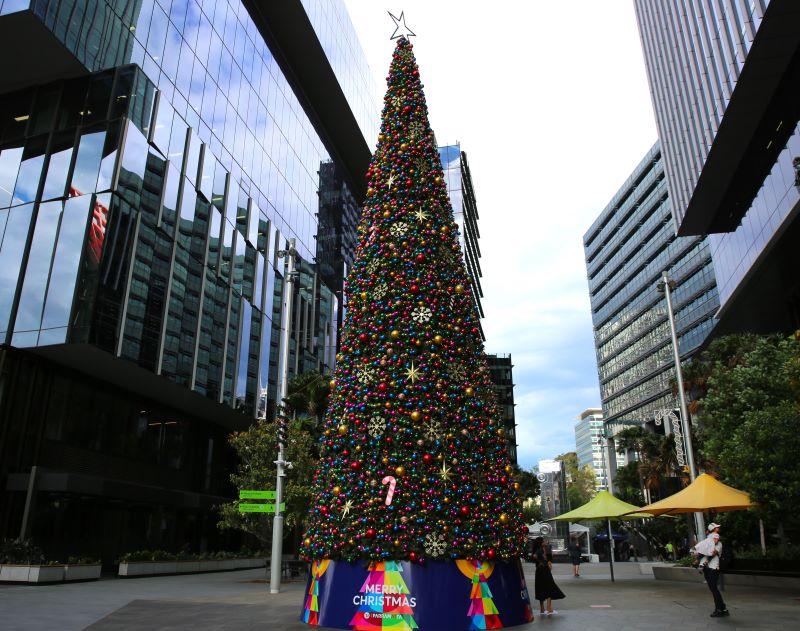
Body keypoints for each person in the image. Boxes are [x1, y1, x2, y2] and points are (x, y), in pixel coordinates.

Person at [694, 522, 729, 618]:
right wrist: (698, 555)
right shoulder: (707, 542)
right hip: (706, 568)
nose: (718, 529)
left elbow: (713, 553)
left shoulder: (719, 543)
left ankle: (720, 609)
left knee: (714, 589)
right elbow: (698, 553)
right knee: (713, 589)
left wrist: (704, 550)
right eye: (716, 528)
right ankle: (723, 608)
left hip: (713, 567)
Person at [532, 536, 565, 615]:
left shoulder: (543, 549)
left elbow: (536, 556)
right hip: (544, 570)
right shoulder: (540, 550)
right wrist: (543, 562)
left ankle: (542, 609)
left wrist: (543, 561)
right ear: (541, 543)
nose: (545, 542)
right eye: (543, 541)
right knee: (550, 587)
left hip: (539, 571)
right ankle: (549, 609)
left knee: (540, 588)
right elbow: (535, 556)